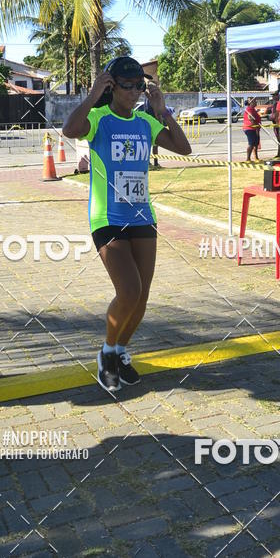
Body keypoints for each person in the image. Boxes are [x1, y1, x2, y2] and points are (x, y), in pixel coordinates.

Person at [62, 56, 192, 394]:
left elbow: (184, 148)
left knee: (142, 298)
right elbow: (69, 130)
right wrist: (92, 94)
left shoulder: (145, 123)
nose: (135, 92)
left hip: (142, 216)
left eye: (140, 86)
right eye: (128, 86)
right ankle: (106, 352)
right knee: (129, 291)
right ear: (112, 86)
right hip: (108, 218)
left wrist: (161, 109)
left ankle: (120, 351)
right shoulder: (98, 119)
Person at [142, 94, 175, 168]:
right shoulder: (154, 99)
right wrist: (161, 124)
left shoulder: (146, 100)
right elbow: (157, 113)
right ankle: (156, 163)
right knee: (155, 145)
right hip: (154, 124)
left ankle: (148, 163)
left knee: (148, 145)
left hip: (146, 123)